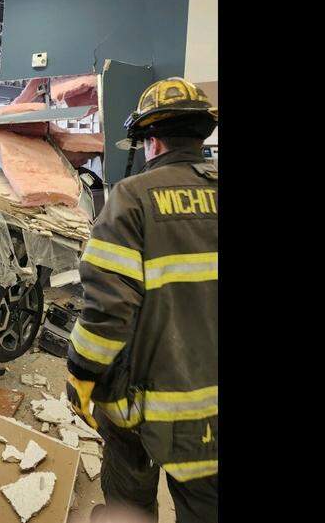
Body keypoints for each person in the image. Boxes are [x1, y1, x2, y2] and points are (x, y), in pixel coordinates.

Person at [65, 78, 218, 523]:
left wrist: (80, 371)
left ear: (150, 141)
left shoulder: (132, 198)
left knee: (129, 503)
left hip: (142, 405)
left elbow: (108, 312)